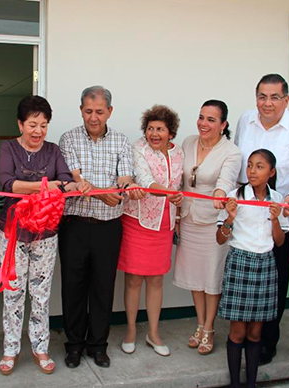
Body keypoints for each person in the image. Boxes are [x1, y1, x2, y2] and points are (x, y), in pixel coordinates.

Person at [0, 95, 89, 375]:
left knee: (40, 293)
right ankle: (10, 349)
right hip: (13, 231)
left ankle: (40, 346)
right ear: (20, 124)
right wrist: (49, 185)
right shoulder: (8, 148)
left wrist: (74, 185)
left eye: (44, 125)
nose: (38, 131)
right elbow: (8, 183)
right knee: (12, 292)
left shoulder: (53, 150)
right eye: (33, 124)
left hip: (46, 232)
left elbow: (65, 181)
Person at [234, 73, 289, 364]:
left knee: (275, 283)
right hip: (245, 220)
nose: (267, 104)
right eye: (261, 96)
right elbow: (237, 164)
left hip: (279, 220)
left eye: (274, 97)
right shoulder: (246, 120)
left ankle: (267, 341)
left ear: (286, 99)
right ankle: (242, 336)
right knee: (244, 279)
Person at [58, 85, 141, 368]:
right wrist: (104, 192)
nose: (93, 117)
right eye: (88, 111)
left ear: (110, 112)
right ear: (81, 110)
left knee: (103, 288)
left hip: (109, 227)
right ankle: (74, 346)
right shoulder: (68, 139)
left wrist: (115, 190)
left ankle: (98, 345)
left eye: (99, 112)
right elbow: (76, 178)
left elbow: (126, 178)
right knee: (73, 288)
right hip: (75, 226)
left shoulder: (121, 141)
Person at [173, 100, 242, 355]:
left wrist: (220, 194)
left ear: (223, 125)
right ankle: (200, 324)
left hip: (213, 221)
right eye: (201, 117)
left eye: (211, 120)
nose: (204, 123)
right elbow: (178, 178)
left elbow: (226, 180)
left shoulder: (231, 151)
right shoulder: (189, 142)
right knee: (195, 277)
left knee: (211, 277)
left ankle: (210, 329)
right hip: (188, 217)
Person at [217, 149, 289, 388]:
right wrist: (229, 218)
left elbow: (280, 242)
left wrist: (276, 218)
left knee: (256, 333)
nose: (252, 171)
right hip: (240, 262)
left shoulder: (277, 198)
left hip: (265, 265)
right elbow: (220, 238)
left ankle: (251, 384)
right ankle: (235, 384)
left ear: (272, 172)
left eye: (259, 166)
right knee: (237, 332)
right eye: (249, 166)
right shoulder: (234, 196)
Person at [118, 105, 184, 357]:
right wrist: (172, 194)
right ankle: (132, 330)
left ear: (170, 132)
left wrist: (179, 201)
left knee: (156, 280)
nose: (154, 134)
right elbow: (144, 181)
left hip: (164, 225)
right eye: (150, 128)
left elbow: (181, 185)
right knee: (134, 278)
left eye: (160, 129)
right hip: (138, 221)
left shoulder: (179, 154)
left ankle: (153, 333)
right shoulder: (138, 148)